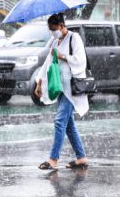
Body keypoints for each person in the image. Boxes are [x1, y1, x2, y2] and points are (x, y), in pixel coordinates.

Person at [35, 13, 89, 170]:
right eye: (50, 30)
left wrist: (63, 56)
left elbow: (81, 61)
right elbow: (47, 63)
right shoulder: (55, 41)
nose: (53, 33)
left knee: (59, 121)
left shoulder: (74, 38)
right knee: (69, 125)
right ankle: (81, 157)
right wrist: (39, 82)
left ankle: (53, 159)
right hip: (60, 87)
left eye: (54, 29)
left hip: (72, 88)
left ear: (61, 25)